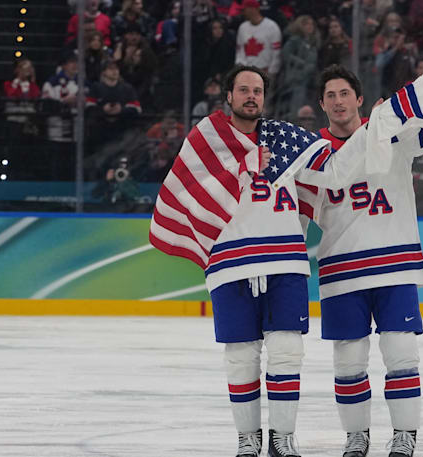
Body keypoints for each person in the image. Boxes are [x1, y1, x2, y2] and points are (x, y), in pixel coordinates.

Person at [149, 64, 370, 457]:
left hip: (285, 259)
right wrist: (246, 164)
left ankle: (282, 439)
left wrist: (378, 126)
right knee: (240, 355)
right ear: (229, 97)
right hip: (231, 262)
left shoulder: (285, 139)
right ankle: (247, 440)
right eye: (244, 90)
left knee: (287, 350)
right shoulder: (208, 138)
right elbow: (189, 188)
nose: (252, 96)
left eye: (258, 90)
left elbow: (332, 163)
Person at [297, 65, 423, 457]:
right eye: (331, 96)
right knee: (349, 361)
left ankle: (405, 435)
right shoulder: (310, 153)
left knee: (401, 352)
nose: (339, 102)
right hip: (341, 268)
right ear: (322, 105)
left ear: (359, 99)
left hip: (394, 260)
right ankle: (357, 438)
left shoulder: (392, 133)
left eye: (345, 94)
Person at [234, 0, 281, 77]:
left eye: (244, 10)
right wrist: (240, 67)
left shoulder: (272, 26)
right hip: (246, 71)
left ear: (253, 9)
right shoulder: (242, 27)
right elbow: (240, 50)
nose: (242, 13)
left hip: (265, 71)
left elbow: (276, 52)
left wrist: (271, 71)